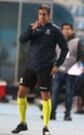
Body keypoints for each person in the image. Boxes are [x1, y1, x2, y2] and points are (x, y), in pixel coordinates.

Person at [11, 5, 68, 135]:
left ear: (49, 15)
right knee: (21, 93)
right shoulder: (33, 27)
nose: (42, 17)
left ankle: (46, 127)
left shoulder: (55, 30)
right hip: (31, 66)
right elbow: (22, 39)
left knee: (45, 96)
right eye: (40, 14)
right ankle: (22, 123)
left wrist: (57, 65)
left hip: (46, 67)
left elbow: (65, 49)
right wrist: (32, 29)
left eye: (44, 14)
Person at [51, 23, 84, 121]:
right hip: (58, 71)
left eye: (68, 29)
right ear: (61, 31)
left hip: (71, 72)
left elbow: (82, 55)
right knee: (55, 93)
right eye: (64, 29)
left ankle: (67, 114)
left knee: (69, 94)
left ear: (72, 30)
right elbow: (53, 55)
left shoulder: (77, 41)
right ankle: (52, 113)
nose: (66, 31)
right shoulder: (57, 42)